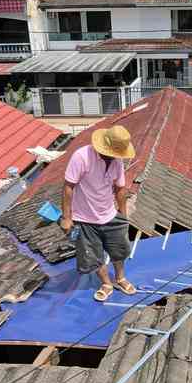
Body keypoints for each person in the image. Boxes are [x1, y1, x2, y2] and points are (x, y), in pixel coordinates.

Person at [60, 124, 137, 302]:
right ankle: (106, 283)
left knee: (120, 249)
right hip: (84, 218)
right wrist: (66, 217)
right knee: (94, 255)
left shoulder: (117, 161)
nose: (114, 156)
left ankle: (120, 278)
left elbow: (120, 189)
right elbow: (68, 187)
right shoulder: (81, 157)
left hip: (109, 214)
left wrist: (123, 216)